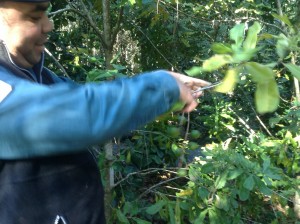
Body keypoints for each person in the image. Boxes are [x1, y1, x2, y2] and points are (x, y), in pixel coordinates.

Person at [0, 0, 210, 223]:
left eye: (46, 14)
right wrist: (162, 88)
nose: (49, 25)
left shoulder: (41, 79)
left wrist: (162, 102)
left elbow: (93, 102)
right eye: (34, 17)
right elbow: (79, 115)